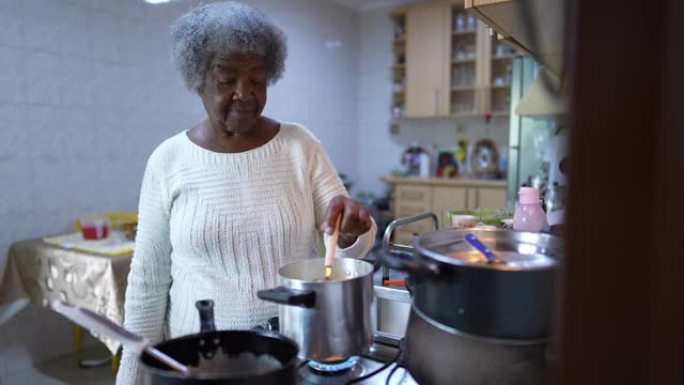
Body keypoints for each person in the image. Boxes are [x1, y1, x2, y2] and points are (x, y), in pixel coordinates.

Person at [116, 2, 376, 383]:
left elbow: (348, 241)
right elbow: (148, 284)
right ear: (198, 79)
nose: (245, 93)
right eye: (227, 81)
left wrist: (353, 227)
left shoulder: (299, 146)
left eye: (257, 79)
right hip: (199, 361)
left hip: (290, 356)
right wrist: (131, 377)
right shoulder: (168, 160)